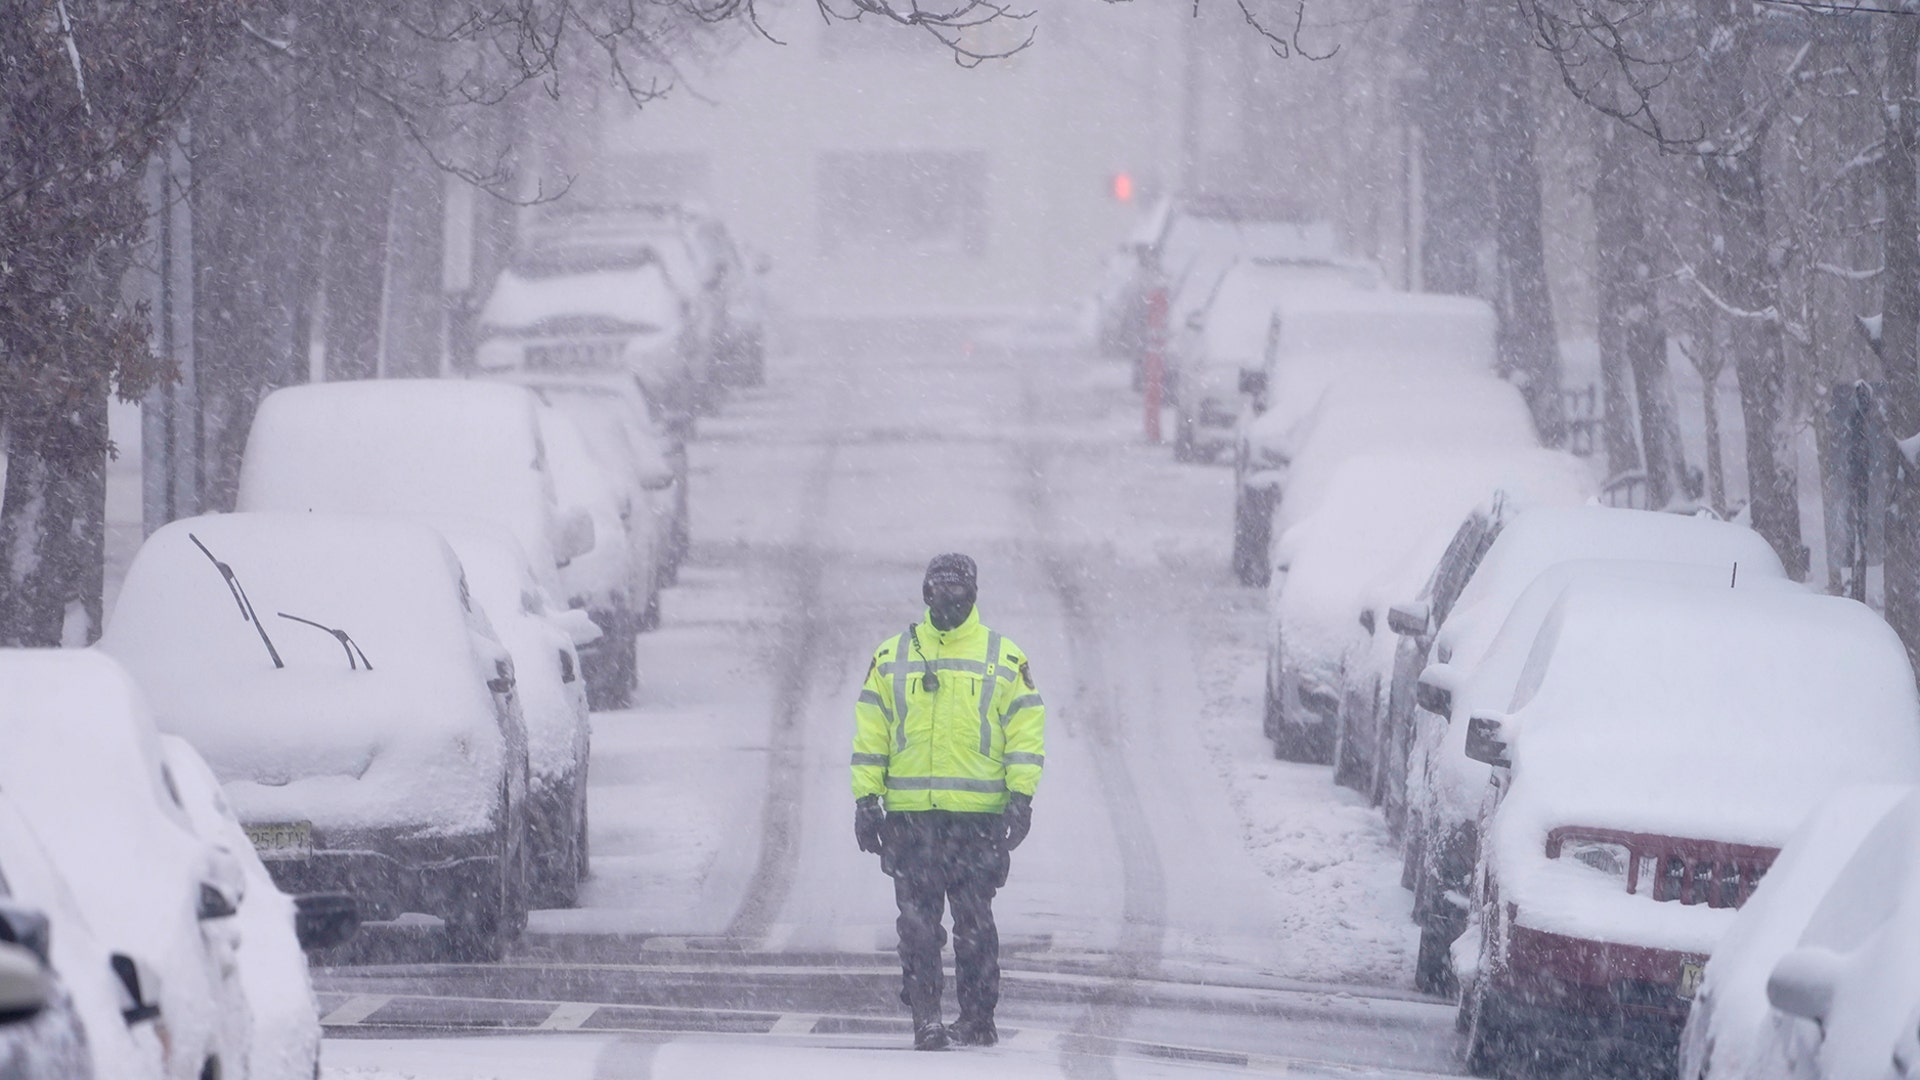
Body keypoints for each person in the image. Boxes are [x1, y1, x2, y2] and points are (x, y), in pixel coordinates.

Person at [850, 553, 1047, 1050]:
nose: (948, 606)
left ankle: (978, 1018)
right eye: (940, 595)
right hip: (913, 820)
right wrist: (866, 799)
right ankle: (927, 1018)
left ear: (974, 596)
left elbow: (1025, 731)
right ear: (925, 595)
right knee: (918, 927)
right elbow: (871, 732)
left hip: (975, 821)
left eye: (958, 596)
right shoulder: (892, 657)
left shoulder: (1003, 658)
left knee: (974, 923)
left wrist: (1021, 797)